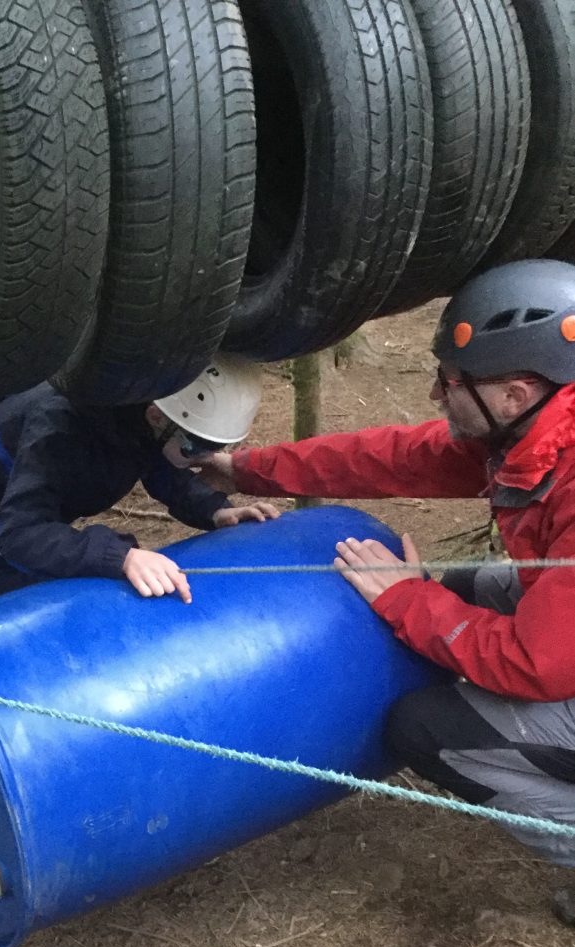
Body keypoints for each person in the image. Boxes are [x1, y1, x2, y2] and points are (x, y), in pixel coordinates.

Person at [195, 259, 575, 908]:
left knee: (425, 727)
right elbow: (396, 457)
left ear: (514, 394)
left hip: (556, 658)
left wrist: (406, 598)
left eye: (449, 382)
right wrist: (248, 470)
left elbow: (536, 664)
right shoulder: (538, 430)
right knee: (458, 595)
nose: (434, 395)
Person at [0, 355, 279, 609]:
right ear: (157, 416)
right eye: (196, 446)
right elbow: (20, 534)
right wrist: (120, 556)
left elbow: (158, 464)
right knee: (4, 618)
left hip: (30, 509)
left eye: (215, 448)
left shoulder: (142, 410)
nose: (204, 458)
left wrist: (214, 510)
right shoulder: (59, 429)